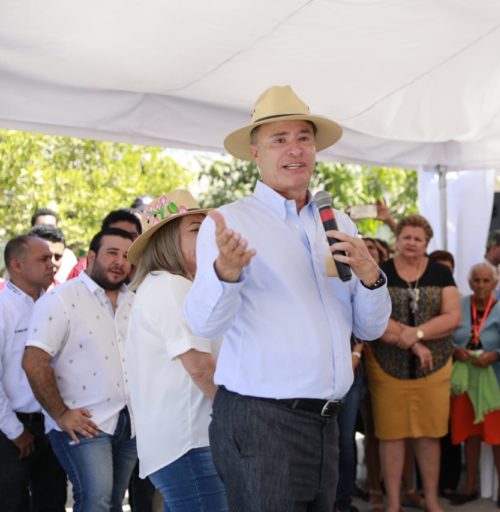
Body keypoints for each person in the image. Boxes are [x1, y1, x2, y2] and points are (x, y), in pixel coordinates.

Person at [183, 85, 391, 511]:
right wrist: (227, 273)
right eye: (279, 140)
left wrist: (372, 278)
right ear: (255, 153)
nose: (294, 150)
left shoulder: (338, 221)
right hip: (263, 422)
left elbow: (370, 328)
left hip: (326, 422)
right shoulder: (229, 222)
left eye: (303, 138)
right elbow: (204, 325)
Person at [125, 189, 226, 511]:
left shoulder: (172, 284)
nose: (208, 235)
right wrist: (241, 418)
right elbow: (200, 367)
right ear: (168, 240)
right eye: (196, 229)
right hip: (190, 441)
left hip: (187, 441)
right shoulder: (170, 285)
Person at [22, 228, 137, 512]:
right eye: (112, 253)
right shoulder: (60, 299)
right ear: (91, 257)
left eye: (126, 256)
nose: (120, 261)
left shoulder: (135, 301)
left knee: (111, 504)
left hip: (130, 422)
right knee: (95, 502)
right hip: (83, 424)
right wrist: (61, 414)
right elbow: (33, 361)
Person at [368, 214, 461, 512]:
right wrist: (413, 342)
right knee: (391, 436)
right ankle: (393, 503)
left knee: (429, 435)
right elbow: (372, 316)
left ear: (427, 244)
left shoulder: (440, 273)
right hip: (386, 365)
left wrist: (415, 333)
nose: (411, 243)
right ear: (398, 239)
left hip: (434, 367)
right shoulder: (379, 272)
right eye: (406, 236)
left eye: (418, 239)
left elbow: (452, 317)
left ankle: (431, 500)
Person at [0, 236, 67, 511]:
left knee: (52, 502)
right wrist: (15, 430)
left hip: (54, 423)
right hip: (12, 428)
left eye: (53, 258)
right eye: (43, 259)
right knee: (12, 504)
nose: (52, 265)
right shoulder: (3, 309)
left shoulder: (55, 303)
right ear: (17, 264)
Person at [450, 262, 500, 509]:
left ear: (495, 283)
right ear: (469, 283)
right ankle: (470, 487)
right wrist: (455, 351)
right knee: (470, 435)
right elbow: (446, 338)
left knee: (499, 437)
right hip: (465, 381)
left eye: (486, 281)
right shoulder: (459, 306)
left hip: (495, 379)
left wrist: (496, 355)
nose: (480, 285)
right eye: (476, 280)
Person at [67, 209, 142, 281]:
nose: (126, 240)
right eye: (117, 234)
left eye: (132, 236)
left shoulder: (150, 275)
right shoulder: (81, 270)